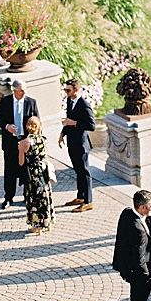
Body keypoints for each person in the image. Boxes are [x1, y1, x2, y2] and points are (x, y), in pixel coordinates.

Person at [0, 79, 39, 209]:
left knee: (26, 171)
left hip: (25, 142)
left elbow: (37, 121)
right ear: (14, 91)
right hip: (11, 143)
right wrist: (7, 126)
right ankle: (8, 197)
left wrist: (33, 138)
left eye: (25, 90)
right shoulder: (6, 101)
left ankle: (27, 196)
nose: (24, 93)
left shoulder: (31, 102)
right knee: (9, 172)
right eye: (21, 91)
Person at [58, 79, 96, 213]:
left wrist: (74, 123)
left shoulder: (84, 105)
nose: (66, 92)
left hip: (81, 144)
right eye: (65, 90)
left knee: (84, 172)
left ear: (76, 90)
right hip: (72, 143)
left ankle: (88, 201)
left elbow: (91, 126)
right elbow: (69, 119)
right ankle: (80, 197)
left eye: (68, 90)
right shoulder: (70, 101)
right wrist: (62, 133)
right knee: (78, 171)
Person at [18, 116, 55, 234]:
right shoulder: (43, 140)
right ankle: (47, 222)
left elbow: (21, 162)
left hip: (32, 173)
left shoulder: (24, 142)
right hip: (43, 171)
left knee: (34, 198)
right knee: (45, 196)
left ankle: (36, 225)